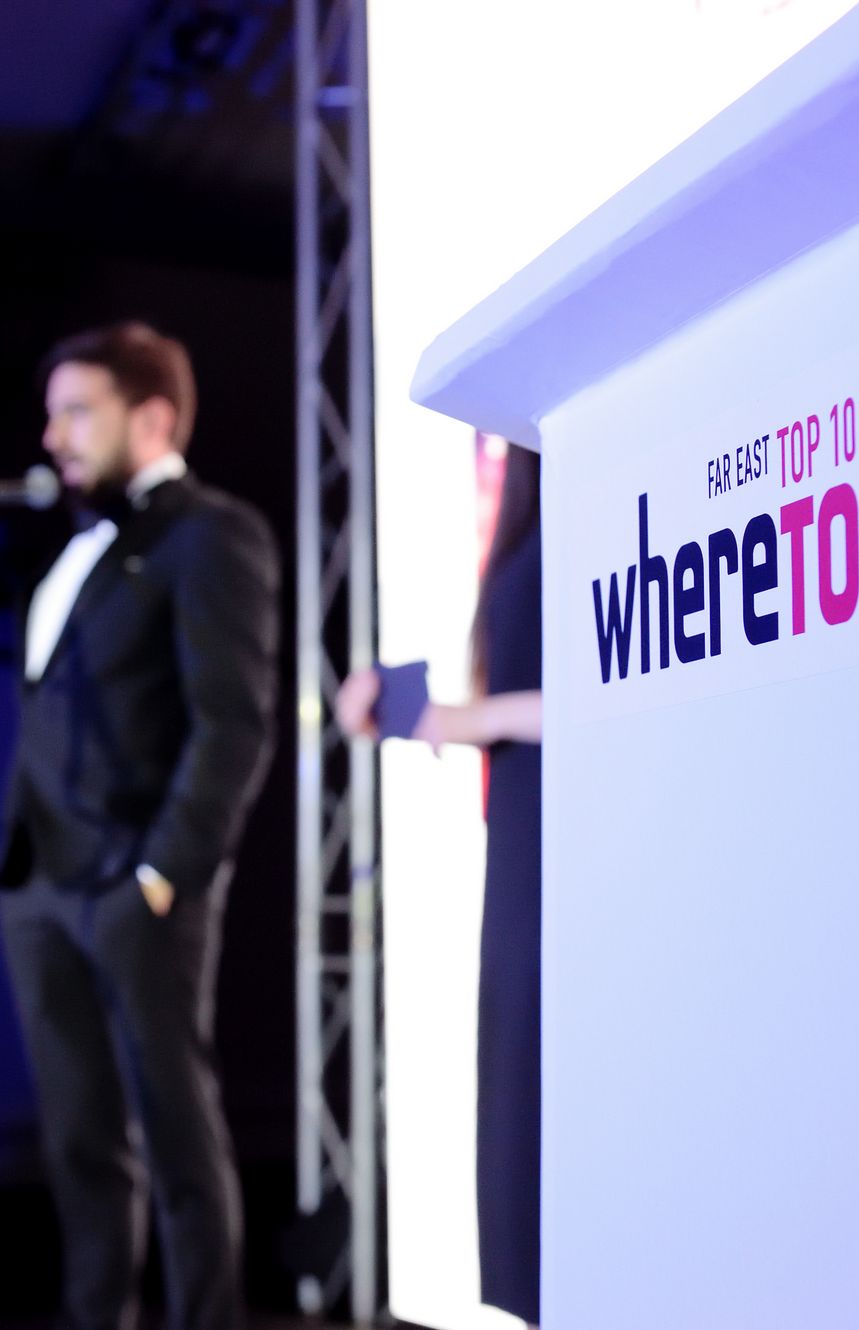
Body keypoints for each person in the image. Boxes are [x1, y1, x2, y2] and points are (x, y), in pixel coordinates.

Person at [0, 321, 278, 1330]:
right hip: (41, 883)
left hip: (137, 886)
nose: (53, 435)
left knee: (176, 1137)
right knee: (80, 1143)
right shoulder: (83, 548)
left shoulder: (212, 535)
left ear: (151, 417)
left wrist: (162, 874)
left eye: (79, 412)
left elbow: (232, 723)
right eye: (52, 414)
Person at [336, 441, 543, 1326]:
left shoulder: (598, 484)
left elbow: (613, 690)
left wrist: (455, 717)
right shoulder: (526, 507)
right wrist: (411, 709)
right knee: (522, 1098)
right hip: (524, 833)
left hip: (571, 839)